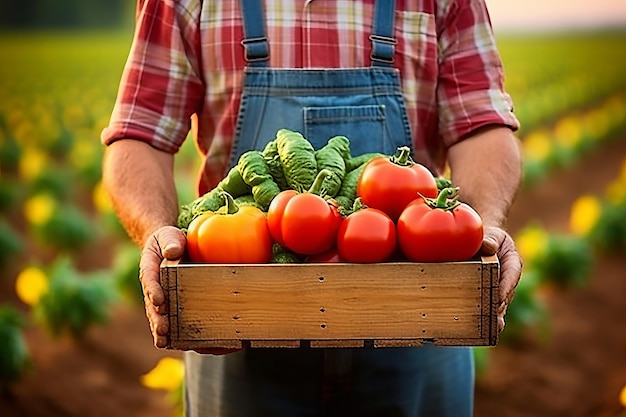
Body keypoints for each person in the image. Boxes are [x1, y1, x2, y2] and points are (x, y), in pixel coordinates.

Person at [101, 0, 523, 416]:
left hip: (422, 318)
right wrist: (156, 228)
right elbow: (140, 135)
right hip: (236, 324)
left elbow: (482, 124)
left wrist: (482, 222)